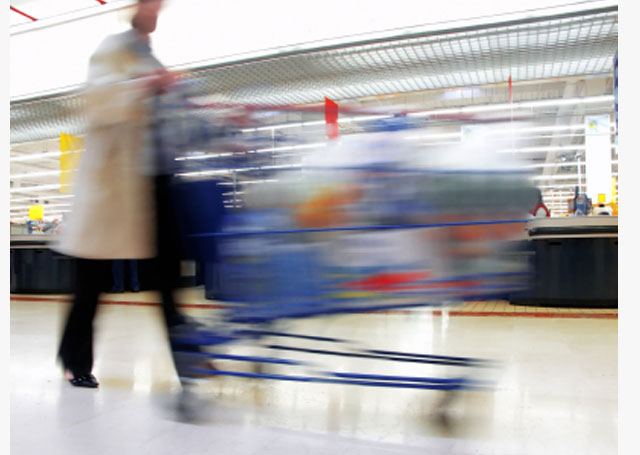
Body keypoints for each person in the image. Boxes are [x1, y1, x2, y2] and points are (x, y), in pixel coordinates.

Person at [55, 0, 196, 389]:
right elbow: (96, 103)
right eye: (149, 3)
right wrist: (146, 86)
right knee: (91, 284)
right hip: (112, 187)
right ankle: (74, 360)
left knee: (169, 278)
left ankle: (189, 364)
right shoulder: (112, 48)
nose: (154, 10)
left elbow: (173, 118)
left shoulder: (153, 61)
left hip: (154, 182)